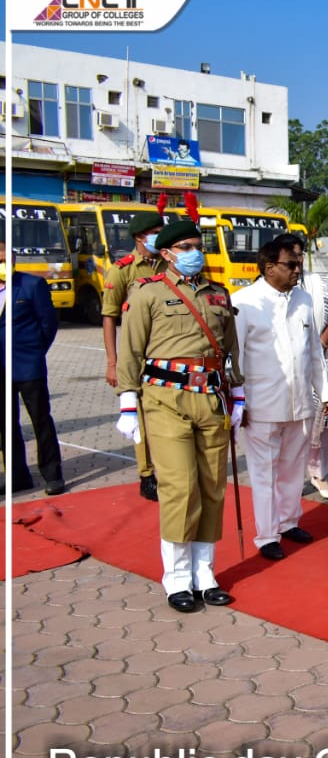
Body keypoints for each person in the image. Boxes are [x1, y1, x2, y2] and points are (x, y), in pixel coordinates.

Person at [114, 200, 243, 612]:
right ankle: (176, 579)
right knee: (180, 487)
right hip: (165, 401)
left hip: (212, 398)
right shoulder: (147, 292)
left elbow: (231, 348)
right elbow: (130, 349)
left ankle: (205, 574)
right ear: (167, 253)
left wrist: (239, 393)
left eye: (197, 244)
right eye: (185, 246)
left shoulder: (219, 295)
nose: (195, 252)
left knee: (211, 488)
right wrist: (127, 402)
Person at [232, 236, 328, 561]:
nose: (298, 269)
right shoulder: (244, 302)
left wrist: (325, 392)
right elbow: (235, 359)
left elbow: (315, 351)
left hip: (300, 402)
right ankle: (266, 535)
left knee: (292, 468)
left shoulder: (303, 300)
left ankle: (289, 522)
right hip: (261, 404)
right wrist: (238, 401)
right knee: (264, 473)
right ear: (269, 266)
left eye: (301, 262)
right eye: (292, 263)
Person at [102, 204, 169, 501]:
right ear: (141, 237)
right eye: (156, 234)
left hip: (167, 351)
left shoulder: (169, 263)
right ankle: (146, 473)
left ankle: (169, 465)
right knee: (139, 415)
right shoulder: (122, 270)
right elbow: (109, 317)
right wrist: (112, 362)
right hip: (136, 355)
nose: (160, 238)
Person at [0, 239, 66, 496]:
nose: (3, 265)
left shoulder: (32, 284)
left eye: (6, 260)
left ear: (14, 259)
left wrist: (36, 352)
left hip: (28, 366)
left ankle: (52, 474)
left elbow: (48, 324)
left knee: (40, 420)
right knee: (7, 424)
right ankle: (17, 477)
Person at [296, 243, 328, 500]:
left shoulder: (321, 283)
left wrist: (321, 344)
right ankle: (289, 477)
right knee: (291, 427)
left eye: (300, 253)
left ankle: (318, 474)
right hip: (287, 371)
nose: (297, 259)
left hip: (320, 362)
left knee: (323, 423)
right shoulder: (270, 288)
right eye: (291, 254)